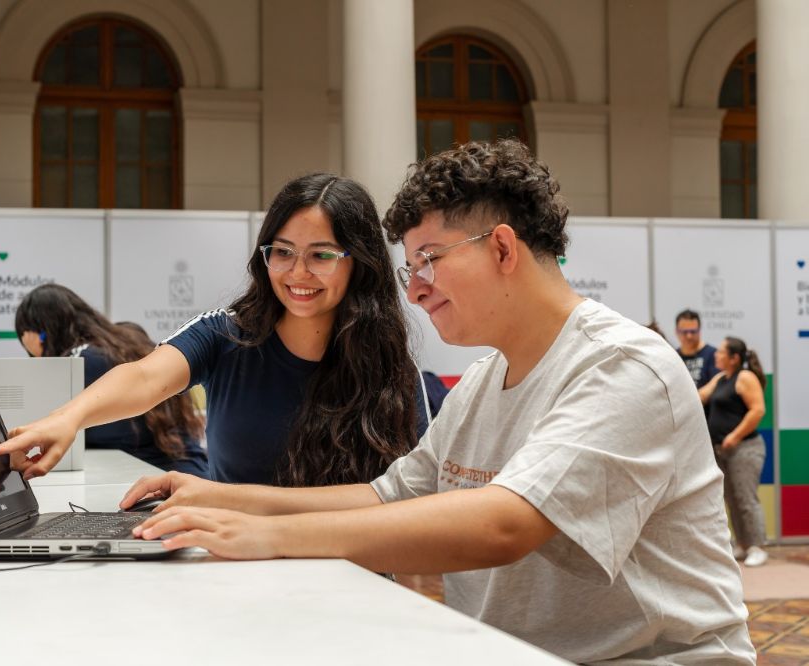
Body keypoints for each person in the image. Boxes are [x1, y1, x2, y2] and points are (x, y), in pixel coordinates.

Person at [111, 140, 755, 664]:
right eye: (410, 268)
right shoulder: (481, 383)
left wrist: (268, 536)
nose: (415, 290)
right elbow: (387, 496)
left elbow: (505, 524)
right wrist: (223, 499)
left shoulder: (622, 365)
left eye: (429, 261)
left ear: (502, 248)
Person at [0, 173, 429, 487]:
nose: (298, 273)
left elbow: (401, 503)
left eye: (321, 255)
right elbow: (144, 376)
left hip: (352, 578)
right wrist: (67, 419)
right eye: (282, 252)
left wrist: (219, 502)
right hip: (237, 570)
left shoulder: (389, 368)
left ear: (360, 263)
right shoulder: (226, 335)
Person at [14, 284, 209, 476]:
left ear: (39, 333)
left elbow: (54, 427)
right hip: (191, 470)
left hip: (163, 478)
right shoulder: (126, 339)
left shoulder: (79, 362)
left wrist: (39, 352)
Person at [698, 336, 769, 567]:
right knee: (731, 498)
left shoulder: (745, 377)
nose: (716, 355)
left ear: (734, 358)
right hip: (722, 451)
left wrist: (735, 436)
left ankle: (758, 546)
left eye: (721, 352)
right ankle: (743, 544)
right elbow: (700, 396)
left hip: (745, 448)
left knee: (746, 498)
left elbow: (758, 410)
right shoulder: (721, 378)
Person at [675, 308, 717, 389]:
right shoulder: (673, 356)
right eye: (685, 332)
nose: (689, 336)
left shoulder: (713, 355)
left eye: (693, 331)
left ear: (699, 331)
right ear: (676, 331)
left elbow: (717, 388)